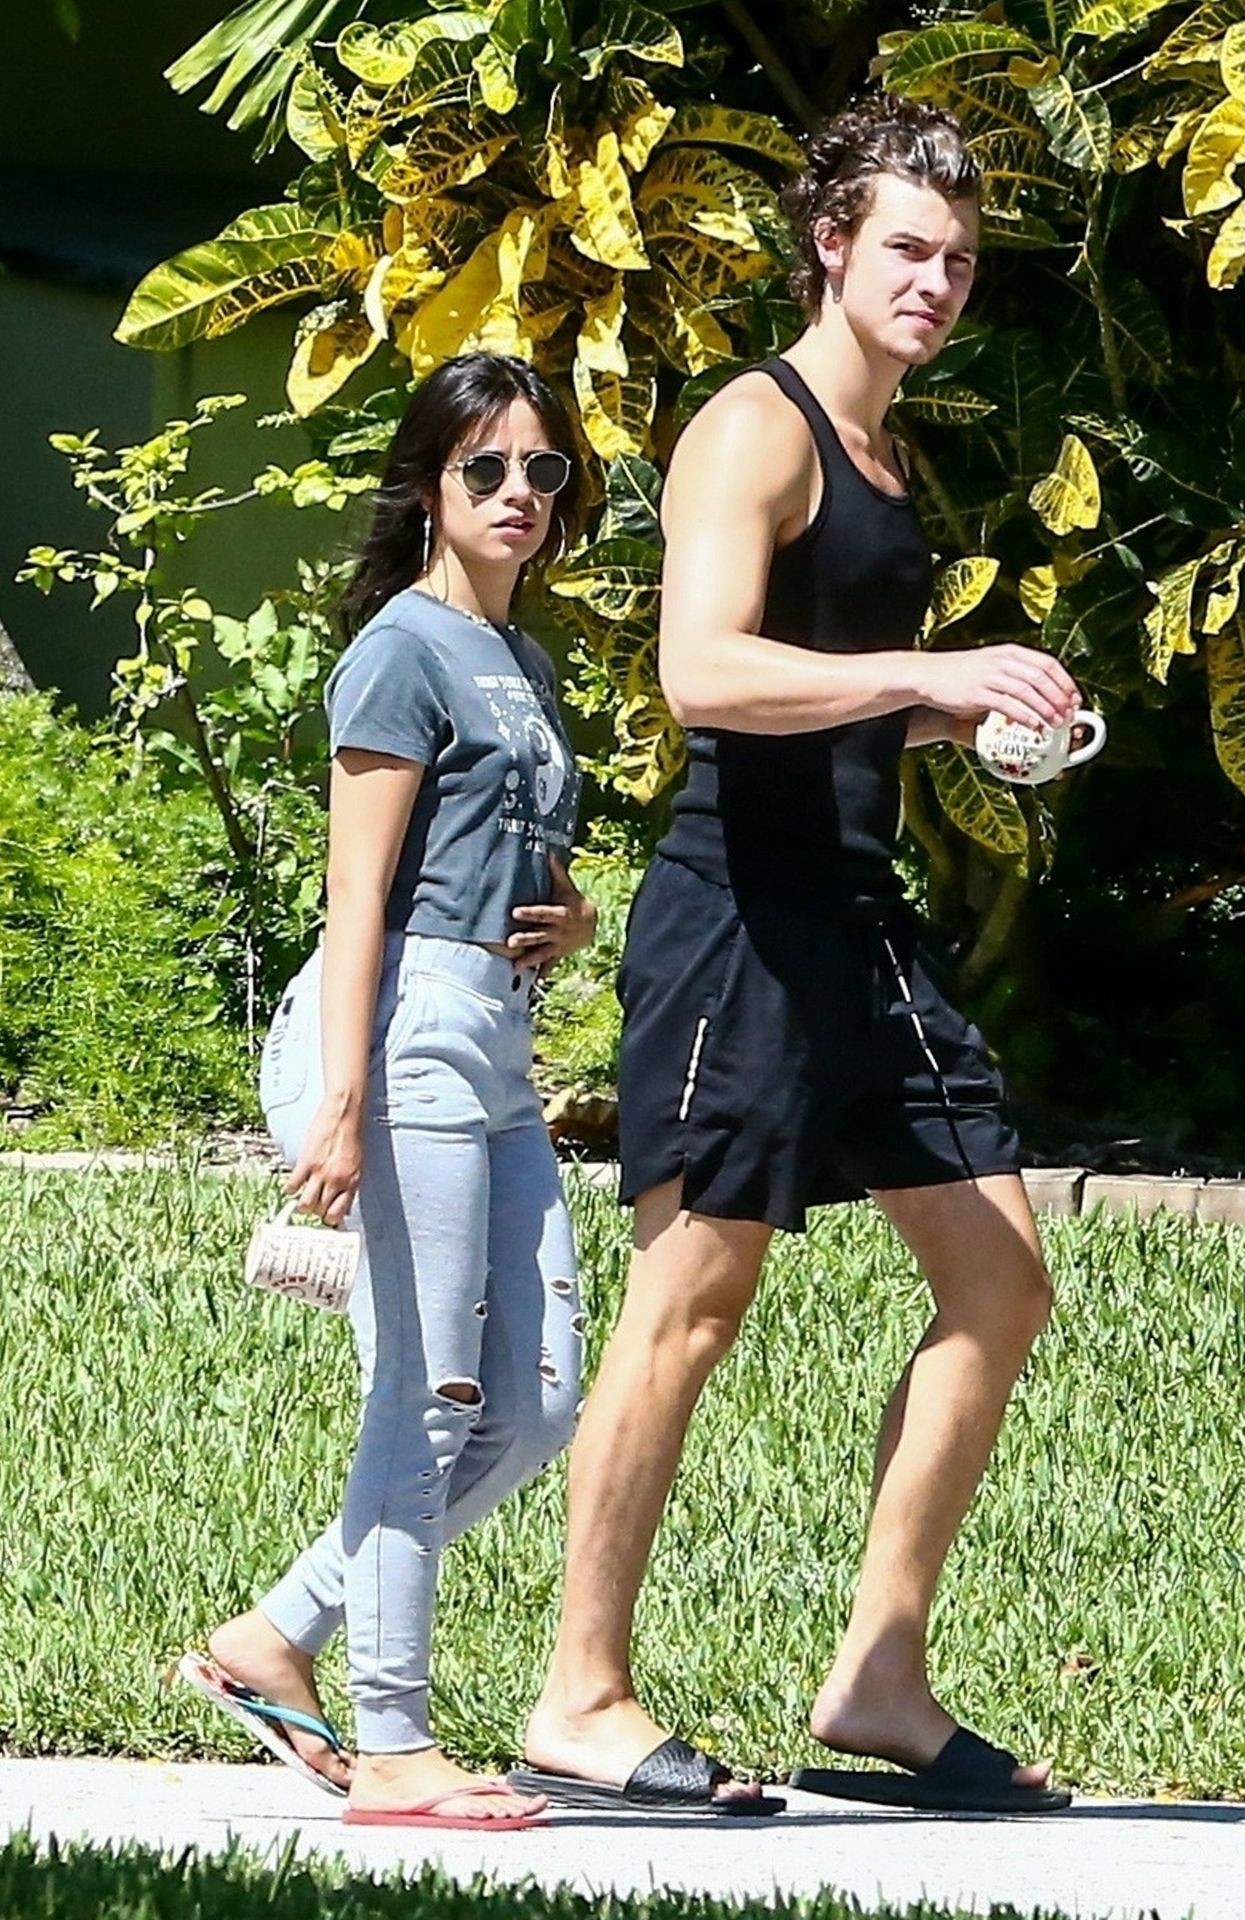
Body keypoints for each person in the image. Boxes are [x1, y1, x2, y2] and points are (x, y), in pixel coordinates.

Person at [513, 95, 1078, 1818]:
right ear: (831, 244)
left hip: (853, 916)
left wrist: (972, 720)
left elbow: (831, 695)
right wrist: (928, 673)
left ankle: (879, 1678)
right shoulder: (754, 430)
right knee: (690, 1302)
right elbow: (703, 671)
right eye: (907, 247)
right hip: (739, 918)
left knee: (1000, 1284)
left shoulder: (888, 454)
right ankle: (579, 1696)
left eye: (959, 260)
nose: (936, 281)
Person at [180, 352, 597, 1831]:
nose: (517, 493)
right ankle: (393, 1742)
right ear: (430, 482)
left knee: (537, 1400)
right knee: (425, 1398)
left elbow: (516, 859)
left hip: (496, 1044)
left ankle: (273, 1635)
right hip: (402, 1027)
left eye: (544, 470)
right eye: (486, 468)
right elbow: (356, 894)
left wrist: (573, 918)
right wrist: (342, 1100)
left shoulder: (524, 661)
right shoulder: (400, 652)